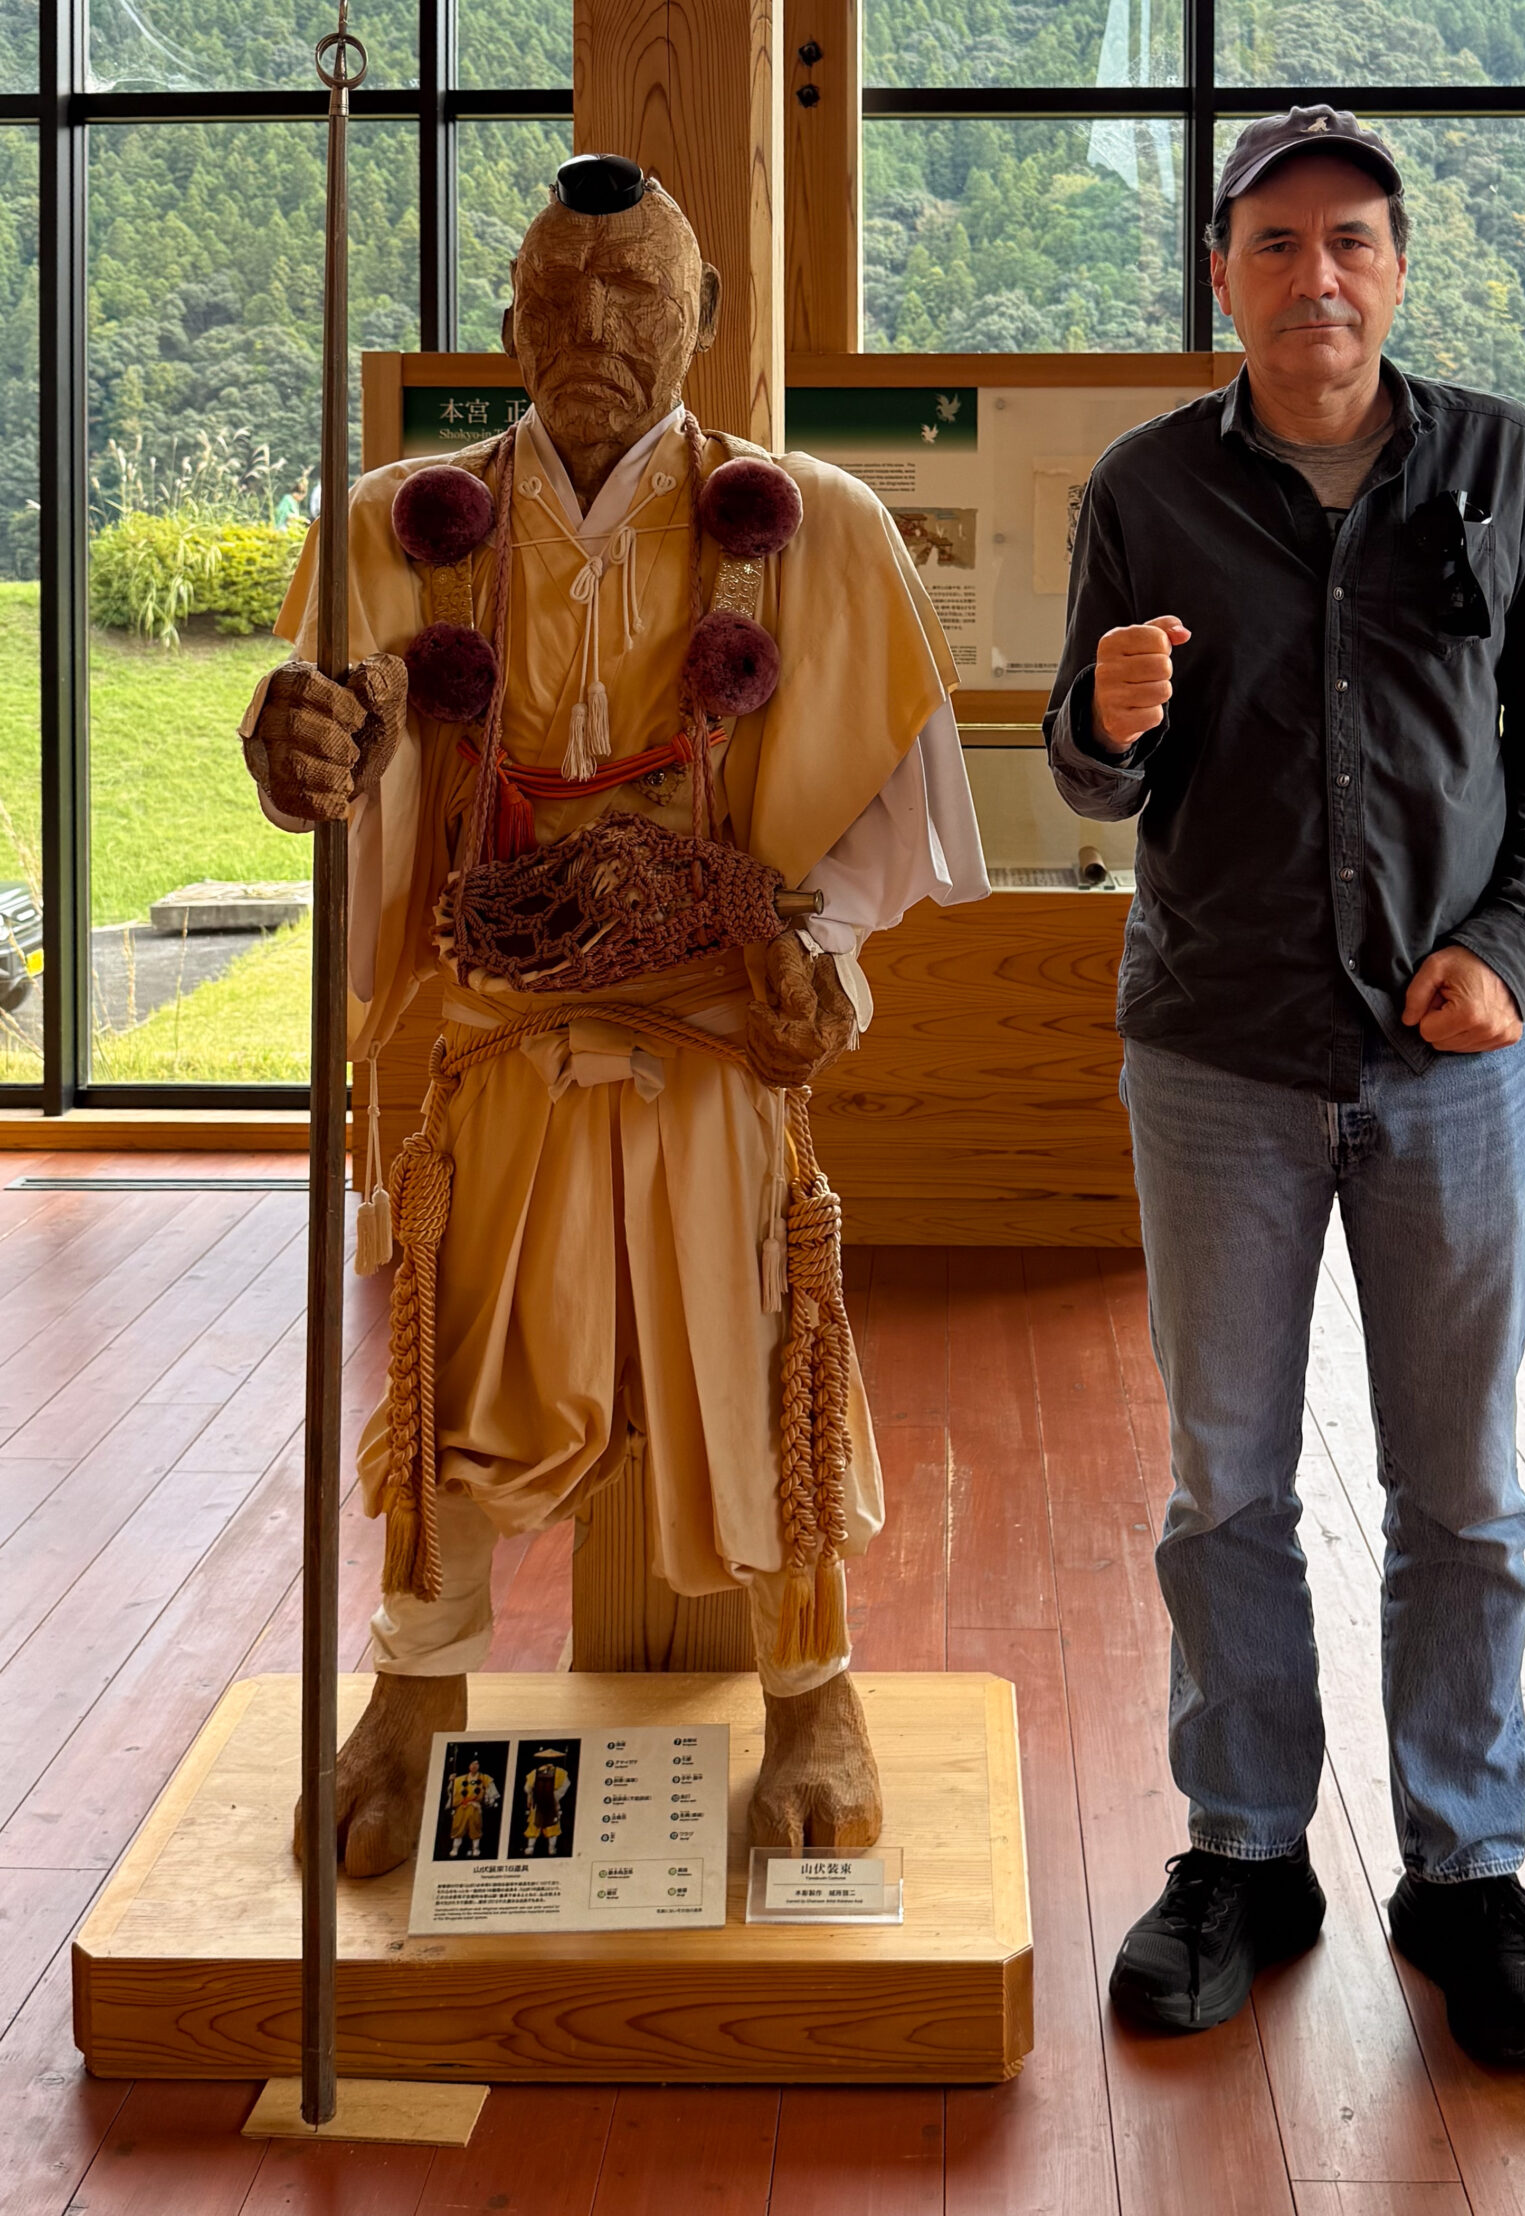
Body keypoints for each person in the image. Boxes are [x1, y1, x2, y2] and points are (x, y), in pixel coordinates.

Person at [240, 153, 985, 1875]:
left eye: (637, 292)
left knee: (765, 1360)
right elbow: (338, 776)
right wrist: (303, 763)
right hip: (492, 1044)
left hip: (716, 1044)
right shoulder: (386, 524)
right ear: (506, 316)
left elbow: (885, 820)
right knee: (452, 1366)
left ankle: (812, 1690)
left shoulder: (819, 529)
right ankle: (418, 1689)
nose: (593, 326)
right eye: (557, 296)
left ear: (705, 317)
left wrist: (827, 958)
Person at [1046, 106, 1525, 2064]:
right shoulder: (1146, 489)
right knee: (1225, 1486)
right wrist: (1105, 726)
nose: (1318, 278)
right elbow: (1094, 766)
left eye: (1351, 242)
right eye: (1275, 246)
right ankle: (1246, 1855)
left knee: (1465, 1494)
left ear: (1398, 266)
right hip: (1216, 1053)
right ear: (1223, 274)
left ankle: (1467, 1872)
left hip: (1448, 1063)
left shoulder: (1503, 469)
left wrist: (1509, 953)